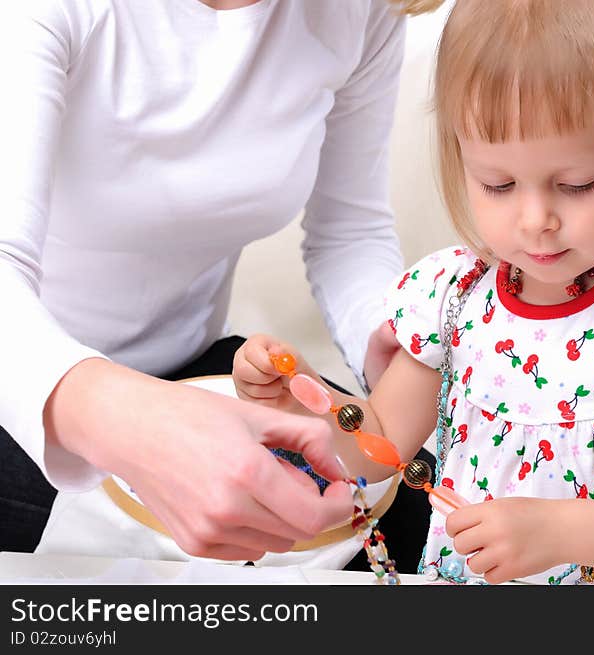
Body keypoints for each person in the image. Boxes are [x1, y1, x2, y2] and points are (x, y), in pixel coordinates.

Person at [232, 0, 594, 585]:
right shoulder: (453, 299)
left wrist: (560, 530)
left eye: (577, 184)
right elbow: (373, 453)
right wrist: (305, 401)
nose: (536, 218)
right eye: (498, 183)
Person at [0, 0, 443, 572]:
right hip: (26, 391)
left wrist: (406, 351)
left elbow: (349, 233)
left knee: (435, 536)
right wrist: (133, 423)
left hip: (197, 375)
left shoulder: (360, 12)